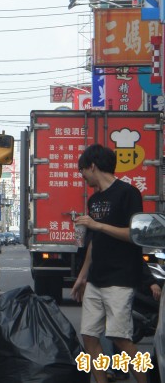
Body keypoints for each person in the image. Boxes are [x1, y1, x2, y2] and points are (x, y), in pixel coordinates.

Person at [70, 144, 146, 383]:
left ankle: (144, 379)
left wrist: (97, 225)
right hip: (95, 279)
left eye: (83, 170)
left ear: (92, 166)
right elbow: (94, 242)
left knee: (120, 337)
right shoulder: (94, 200)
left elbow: (134, 235)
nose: (82, 176)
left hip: (120, 279)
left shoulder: (128, 193)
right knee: (89, 336)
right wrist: (82, 276)